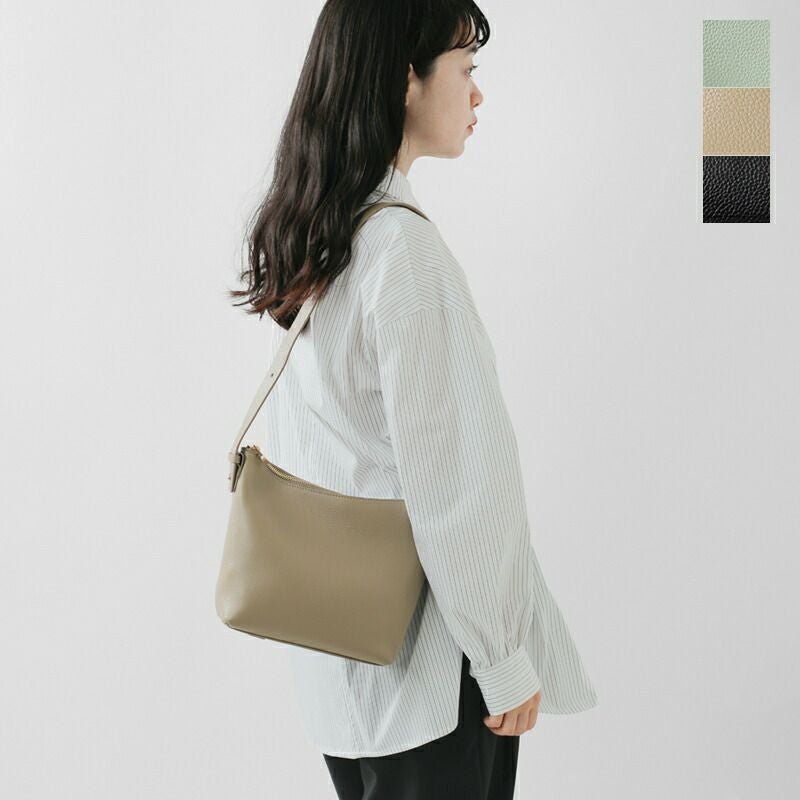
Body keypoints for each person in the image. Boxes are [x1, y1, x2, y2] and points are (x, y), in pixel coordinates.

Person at [227, 1, 598, 797]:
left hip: (341, 673)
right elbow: (456, 486)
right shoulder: (402, 251)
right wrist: (503, 658)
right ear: (406, 81)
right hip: (430, 675)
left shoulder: (321, 236)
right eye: (466, 68)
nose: (477, 93)